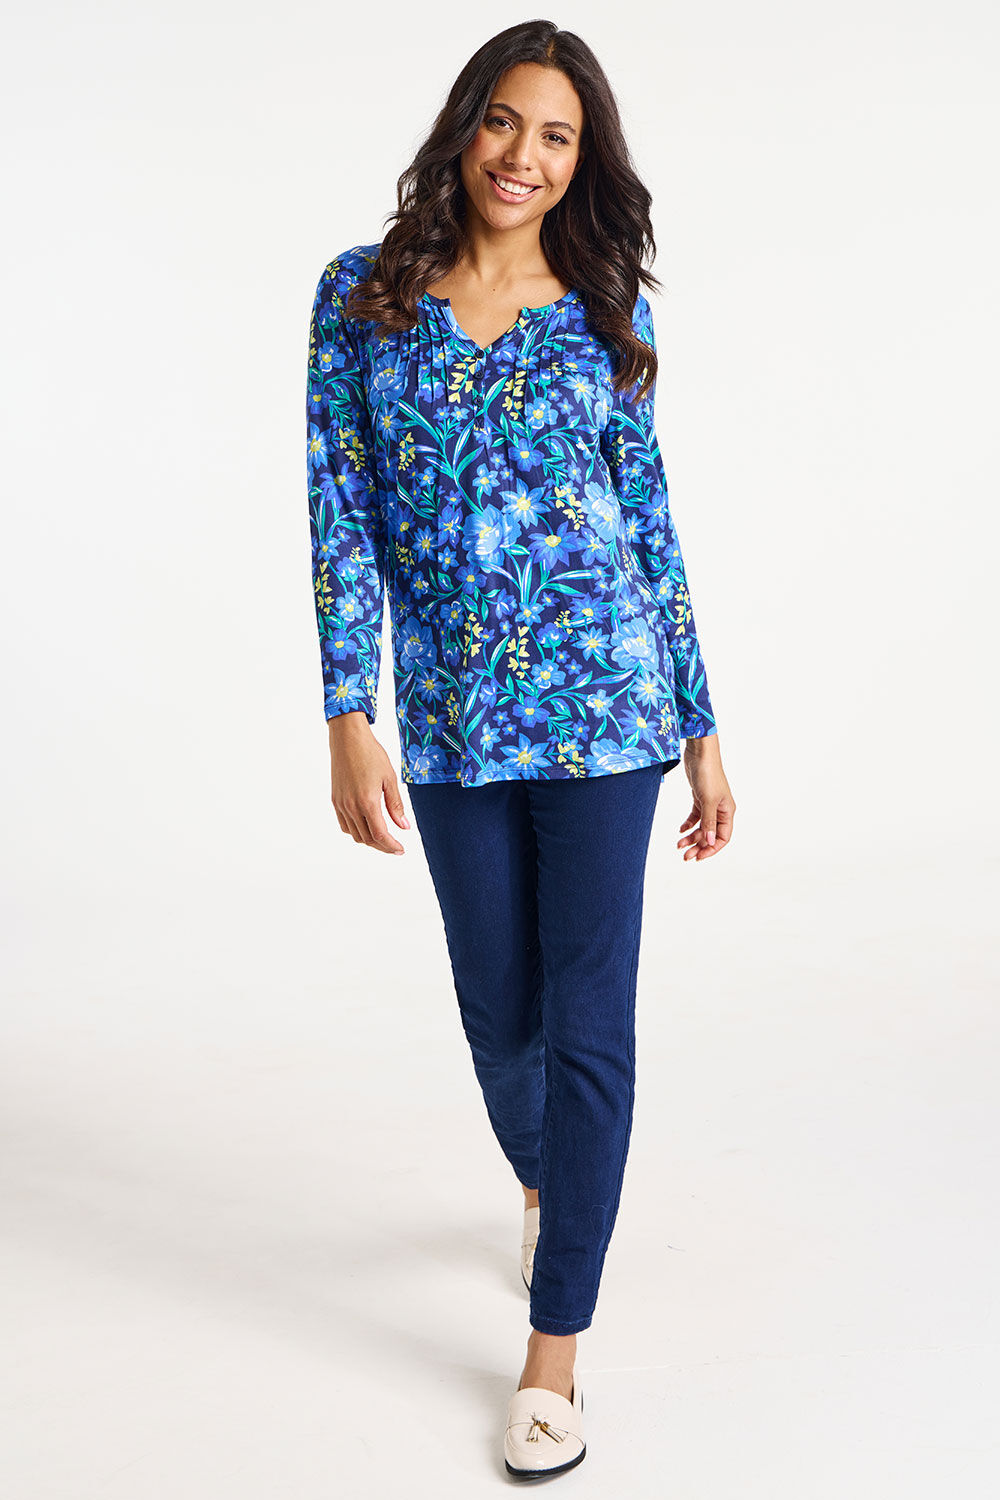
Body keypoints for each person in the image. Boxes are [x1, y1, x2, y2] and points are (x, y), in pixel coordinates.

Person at [305, 19, 736, 1480]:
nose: (524, 157)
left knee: (590, 1020)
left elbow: (650, 528)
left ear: (580, 161)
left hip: (609, 713)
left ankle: (555, 1351)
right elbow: (339, 507)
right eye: (506, 122)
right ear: (465, 126)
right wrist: (346, 708)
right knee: (500, 1015)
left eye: (557, 137)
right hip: (451, 723)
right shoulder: (362, 298)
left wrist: (702, 730)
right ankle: (558, 1184)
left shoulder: (605, 312)